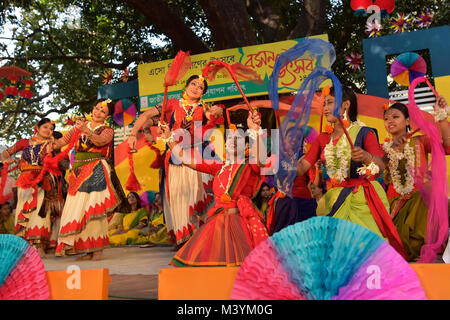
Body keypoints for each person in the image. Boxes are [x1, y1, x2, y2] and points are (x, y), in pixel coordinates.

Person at [296, 86, 407, 259]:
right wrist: (259, 137)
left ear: (346, 105)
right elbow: (302, 167)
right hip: (334, 200)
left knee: (365, 255)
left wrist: (366, 156)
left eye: (330, 103)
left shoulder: (364, 133)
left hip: (361, 200)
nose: (325, 108)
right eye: (324, 104)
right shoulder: (323, 139)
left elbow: (380, 165)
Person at [127, 75, 224, 250]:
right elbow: (148, 115)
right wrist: (134, 133)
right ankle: (184, 239)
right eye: (193, 83)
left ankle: (202, 239)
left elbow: (214, 115)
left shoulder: (204, 108)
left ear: (203, 93)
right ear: (186, 86)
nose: (196, 87)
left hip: (198, 157)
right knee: (179, 198)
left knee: (198, 196)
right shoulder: (172, 104)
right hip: (175, 155)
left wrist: (217, 112)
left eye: (200, 87)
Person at [166, 110, 269, 267]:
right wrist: (168, 138)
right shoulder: (218, 167)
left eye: (238, 139)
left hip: (241, 224)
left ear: (247, 145)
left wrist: (255, 130)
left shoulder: (250, 165)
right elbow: (185, 159)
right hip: (218, 224)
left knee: (241, 270)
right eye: (229, 138)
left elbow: (261, 160)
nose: (233, 141)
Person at [53, 98, 129, 261]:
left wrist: (86, 131)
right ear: (92, 109)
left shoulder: (107, 130)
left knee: (94, 209)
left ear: (107, 116)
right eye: (97, 108)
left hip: (96, 170)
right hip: (78, 173)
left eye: (103, 111)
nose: (98, 112)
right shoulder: (79, 127)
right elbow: (62, 141)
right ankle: (87, 249)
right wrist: (48, 144)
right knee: (77, 210)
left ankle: (97, 250)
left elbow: (101, 141)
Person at [382, 99, 450, 261]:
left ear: (407, 121)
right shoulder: (383, 148)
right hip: (393, 206)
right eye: (386, 118)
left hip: (420, 203)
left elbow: (447, 146)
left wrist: (442, 119)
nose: (389, 121)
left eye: (395, 117)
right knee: (393, 248)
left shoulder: (420, 141)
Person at [0, 118, 63, 257]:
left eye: (51, 129)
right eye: (45, 127)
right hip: (24, 182)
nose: (48, 130)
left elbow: (63, 143)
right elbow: (6, 153)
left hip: (42, 181)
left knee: (40, 213)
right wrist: (5, 159)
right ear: (37, 128)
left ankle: (39, 246)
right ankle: (23, 247)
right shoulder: (24, 143)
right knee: (23, 212)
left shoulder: (50, 144)